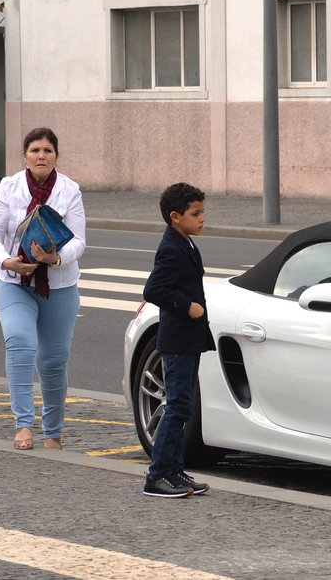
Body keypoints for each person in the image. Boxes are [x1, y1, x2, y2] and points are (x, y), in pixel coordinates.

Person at [0, 127, 86, 450]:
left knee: (53, 361)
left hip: (60, 286)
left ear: (56, 156)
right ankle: (23, 424)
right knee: (21, 342)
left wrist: (56, 258)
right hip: (15, 283)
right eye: (35, 150)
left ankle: (52, 432)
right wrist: (6, 261)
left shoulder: (70, 190)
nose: (41, 156)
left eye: (48, 151)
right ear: (25, 156)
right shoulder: (9, 187)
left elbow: (79, 241)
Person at [142, 182, 216, 498]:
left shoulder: (185, 242)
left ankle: (174, 471)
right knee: (177, 406)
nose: (202, 219)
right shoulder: (171, 247)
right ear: (176, 216)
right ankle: (158, 475)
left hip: (188, 338)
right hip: (176, 340)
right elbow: (154, 290)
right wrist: (188, 306)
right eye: (195, 213)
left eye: (202, 212)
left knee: (183, 406)